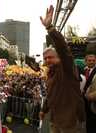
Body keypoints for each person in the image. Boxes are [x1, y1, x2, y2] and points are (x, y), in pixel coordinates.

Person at [39, 5, 86, 133]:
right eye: (45, 58)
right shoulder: (51, 73)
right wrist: (44, 109)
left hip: (70, 124)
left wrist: (50, 28)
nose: (47, 60)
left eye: (50, 57)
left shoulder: (67, 68)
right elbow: (50, 95)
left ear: (59, 57)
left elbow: (63, 49)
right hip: (55, 121)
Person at [83, 54, 96, 133]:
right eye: (89, 60)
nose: (91, 62)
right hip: (83, 103)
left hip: (93, 103)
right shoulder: (83, 70)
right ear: (85, 61)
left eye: (93, 60)